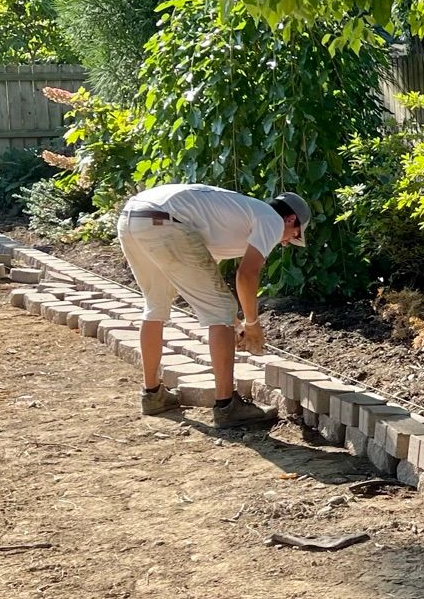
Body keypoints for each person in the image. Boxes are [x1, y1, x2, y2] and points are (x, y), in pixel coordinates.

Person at [115, 182, 310, 428]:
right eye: (294, 235)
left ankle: (153, 396)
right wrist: (252, 324)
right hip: (166, 221)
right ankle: (227, 407)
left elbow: (206, 277)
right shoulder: (270, 218)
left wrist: (234, 323)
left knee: (156, 305)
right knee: (220, 311)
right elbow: (246, 275)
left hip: (133, 217)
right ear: (290, 219)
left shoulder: (231, 217)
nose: (286, 242)